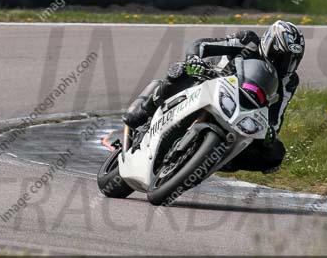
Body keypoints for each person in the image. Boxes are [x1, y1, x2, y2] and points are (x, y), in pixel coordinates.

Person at [123, 20, 305, 173]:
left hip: (240, 111)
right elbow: (201, 45)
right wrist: (195, 59)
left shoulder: (289, 81)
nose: (285, 65)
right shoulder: (247, 41)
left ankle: (214, 159)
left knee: (275, 154)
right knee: (180, 71)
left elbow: (277, 116)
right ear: (268, 42)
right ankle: (145, 108)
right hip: (209, 80)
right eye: (280, 57)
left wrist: (270, 132)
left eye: (292, 60)